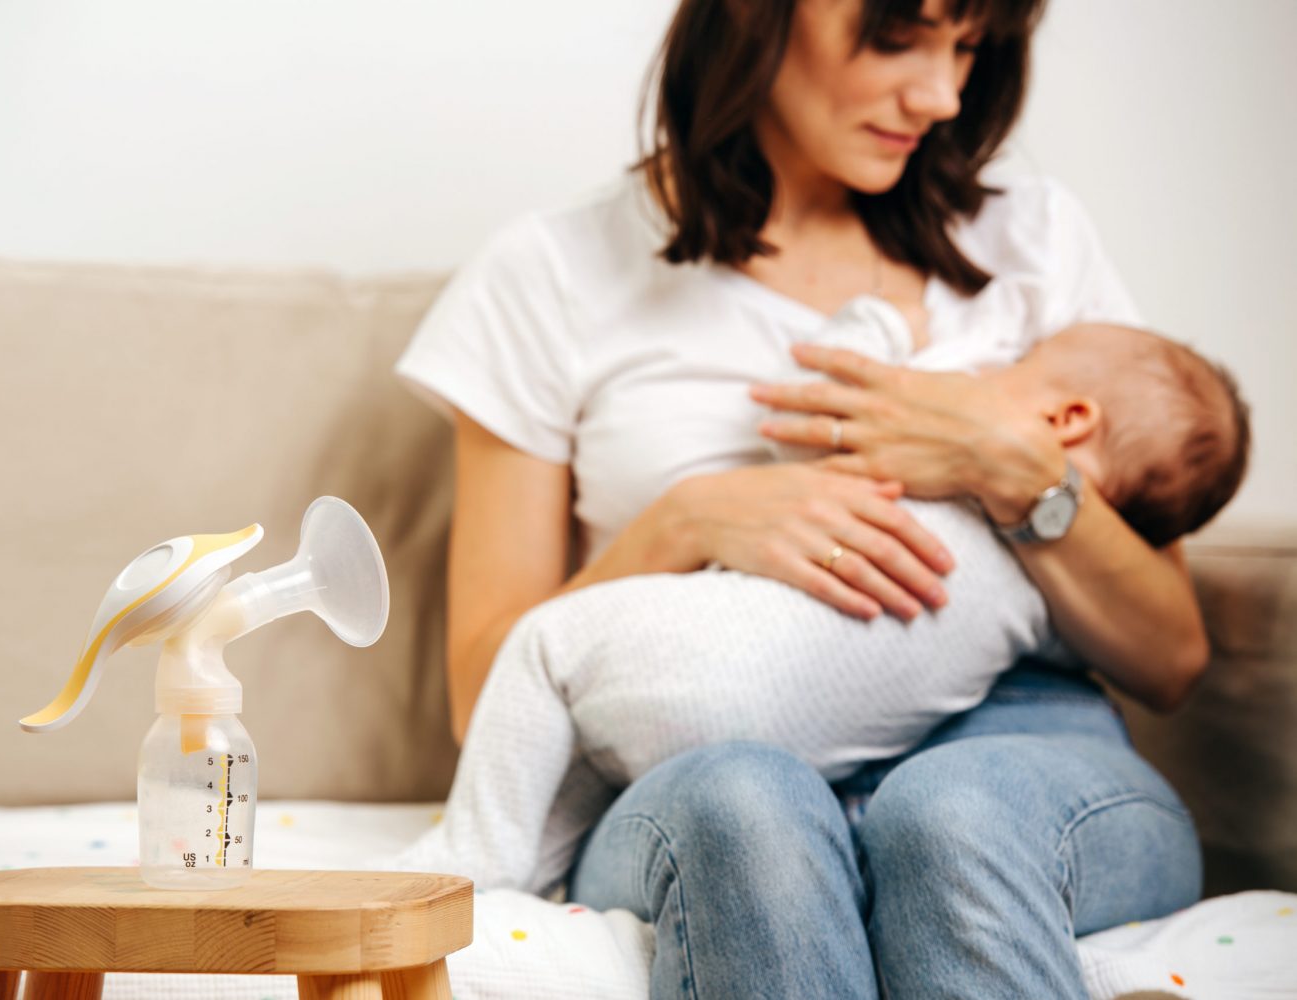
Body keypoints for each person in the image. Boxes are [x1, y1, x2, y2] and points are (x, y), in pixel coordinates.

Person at [395, 0, 1219, 995]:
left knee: (952, 813)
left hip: (1024, 745)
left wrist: (1011, 469)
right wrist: (686, 520)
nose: (943, 93)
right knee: (750, 806)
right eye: (898, 36)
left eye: (967, 47)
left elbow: (1170, 654)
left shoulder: (1034, 239)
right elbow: (486, 695)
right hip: (709, 762)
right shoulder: (548, 276)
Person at [391, 319, 1248, 896]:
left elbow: (803, 423)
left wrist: (868, 332)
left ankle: (475, 865)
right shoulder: (1055, 597)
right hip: (798, 754)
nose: (982, 374)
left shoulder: (924, 462)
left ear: (1063, 418)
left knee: (549, 648)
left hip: (708, 699)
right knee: (616, 720)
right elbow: (1123, 638)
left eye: (1009, 369)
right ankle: (515, 870)